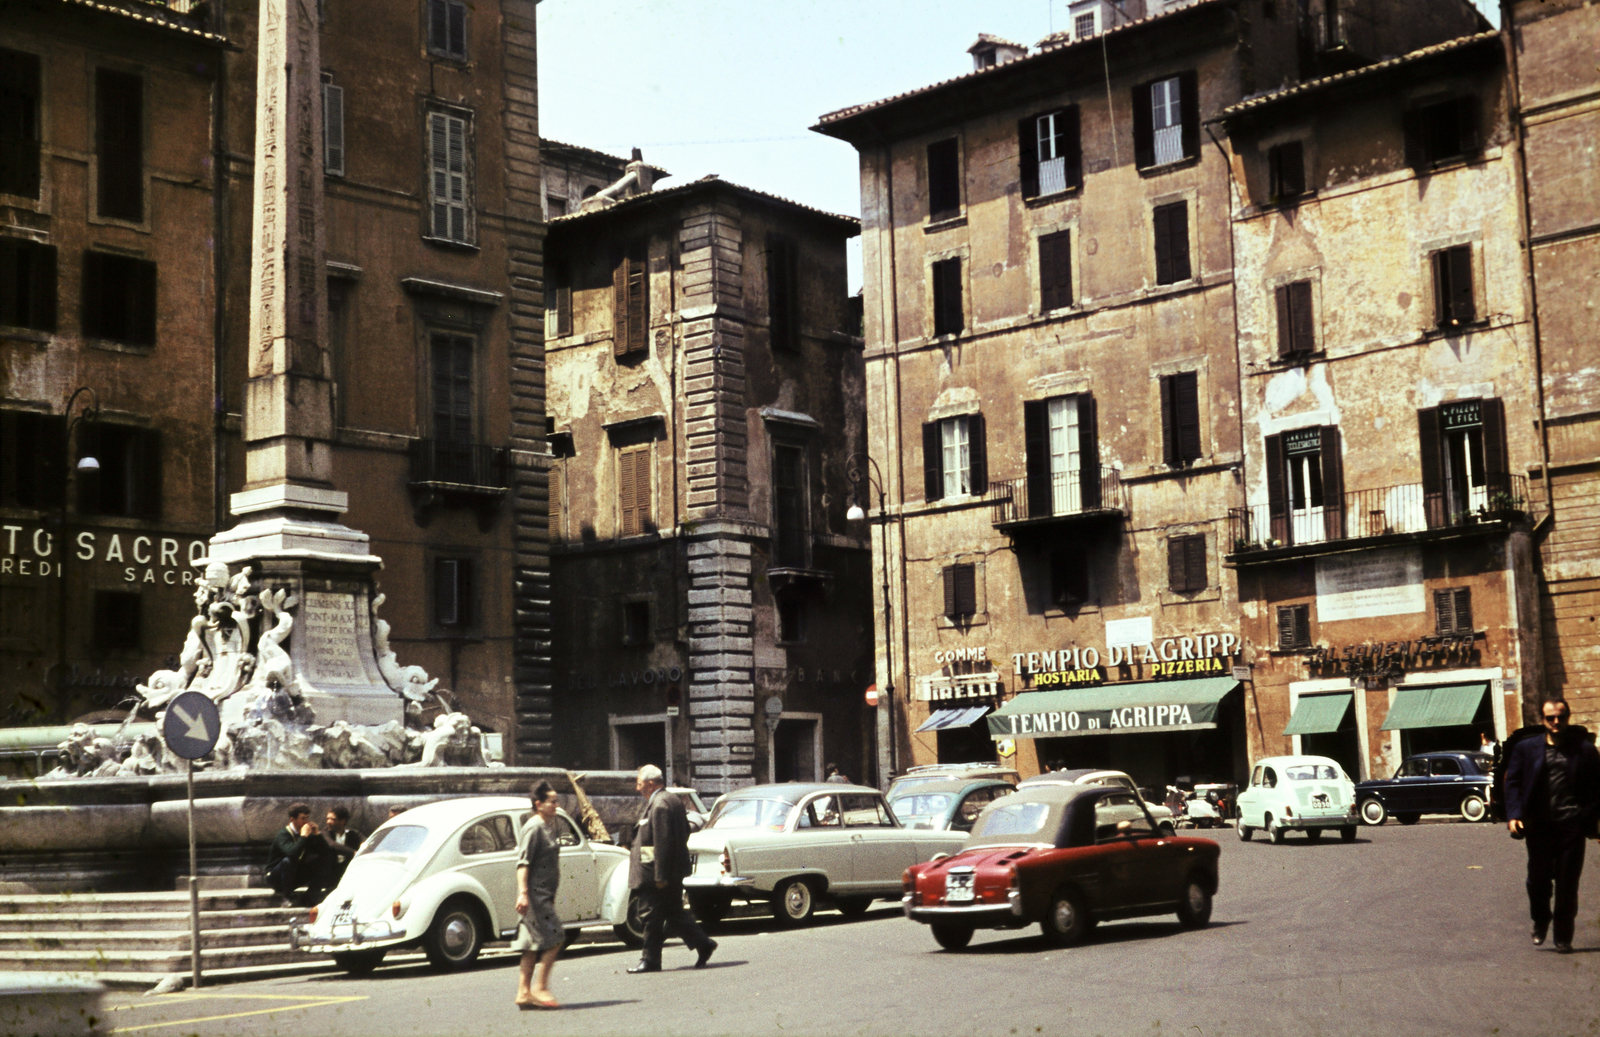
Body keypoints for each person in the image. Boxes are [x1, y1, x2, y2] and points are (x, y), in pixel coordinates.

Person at [1504, 699, 1600, 953]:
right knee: (1537, 881)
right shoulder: (1526, 749)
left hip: (1572, 826)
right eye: (1550, 718)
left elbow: (1596, 788)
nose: (1556, 722)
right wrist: (1514, 814)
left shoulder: (1585, 750)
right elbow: (1512, 782)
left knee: (1568, 884)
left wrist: (1591, 821)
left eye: (1561, 716)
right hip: (1539, 826)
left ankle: (1563, 936)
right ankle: (1541, 919)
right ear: (1543, 720)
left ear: (1568, 716)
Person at [627, 764, 716, 973]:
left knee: (650, 915)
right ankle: (704, 944)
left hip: (657, 874)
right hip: (669, 871)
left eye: (639, 783)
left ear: (650, 783)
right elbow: (683, 832)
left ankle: (650, 960)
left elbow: (663, 842)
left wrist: (661, 874)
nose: (637, 788)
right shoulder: (671, 799)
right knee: (674, 913)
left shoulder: (660, 804)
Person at [513, 781, 564, 1009]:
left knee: (531, 944)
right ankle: (540, 987)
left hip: (541, 894)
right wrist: (523, 894)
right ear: (538, 804)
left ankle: (524, 992)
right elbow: (523, 863)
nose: (556, 805)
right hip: (535, 897)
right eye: (552, 802)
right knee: (556, 937)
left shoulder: (546, 825)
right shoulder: (534, 828)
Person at [265, 803, 324, 906]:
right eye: (302, 818)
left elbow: (324, 852)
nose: (306, 822)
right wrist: (303, 837)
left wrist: (317, 835)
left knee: (320, 860)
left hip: (294, 875)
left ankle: (311, 895)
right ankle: (287, 898)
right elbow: (292, 853)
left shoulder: (306, 833)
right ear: (292, 819)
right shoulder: (283, 834)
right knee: (288, 861)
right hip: (276, 878)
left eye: (307, 818)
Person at [316, 806, 363, 893]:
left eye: (333, 819)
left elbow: (364, 840)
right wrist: (353, 852)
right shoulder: (325, 833)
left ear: (343, 821)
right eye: (327, 819)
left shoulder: (352, 833)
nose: (328, 822)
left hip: (346, 870)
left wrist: (363, 844)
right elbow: (332, 845)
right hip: (329, 873)